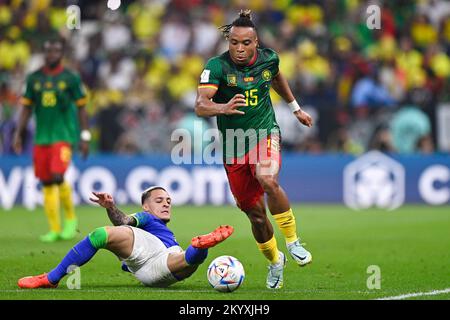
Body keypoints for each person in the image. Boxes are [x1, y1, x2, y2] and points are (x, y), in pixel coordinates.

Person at [194, 9, 313, 289]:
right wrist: (222, 107)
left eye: (245, 43)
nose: (239, 48)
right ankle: (275, 262)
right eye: (234, 43)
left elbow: (276, 77)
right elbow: (200, 105)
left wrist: (295, 108)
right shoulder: (217, 67)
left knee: (268, 179)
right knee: (256, 215)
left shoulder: (269, 59)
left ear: (256, 42)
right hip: (233, 145)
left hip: (264, 133)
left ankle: (294, 241)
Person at [18, 186, 234, 289]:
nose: (166, 203)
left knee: (185, 258)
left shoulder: (162, 232)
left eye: (168, 200)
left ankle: (200, 246)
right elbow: (124, 221)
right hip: (153, 269)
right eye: (159, 200)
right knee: (101, 235)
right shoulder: (146, 218)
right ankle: (50, 278)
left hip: (158, 269)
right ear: (146, 206)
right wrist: (111, 207)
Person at [13, 37, 90, 242]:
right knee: (46, 182)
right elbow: (26, 108)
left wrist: (85, 136)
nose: (51, 54)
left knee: (58, 176)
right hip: (42, 138)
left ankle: (71, 220)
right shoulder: (34, 79)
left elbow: (82, 108)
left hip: (63, 136)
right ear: (44, 53)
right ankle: (54, 229)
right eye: (48, 50)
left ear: (61, 54)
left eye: (55, 51)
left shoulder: (71, 78)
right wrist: (18, 133)